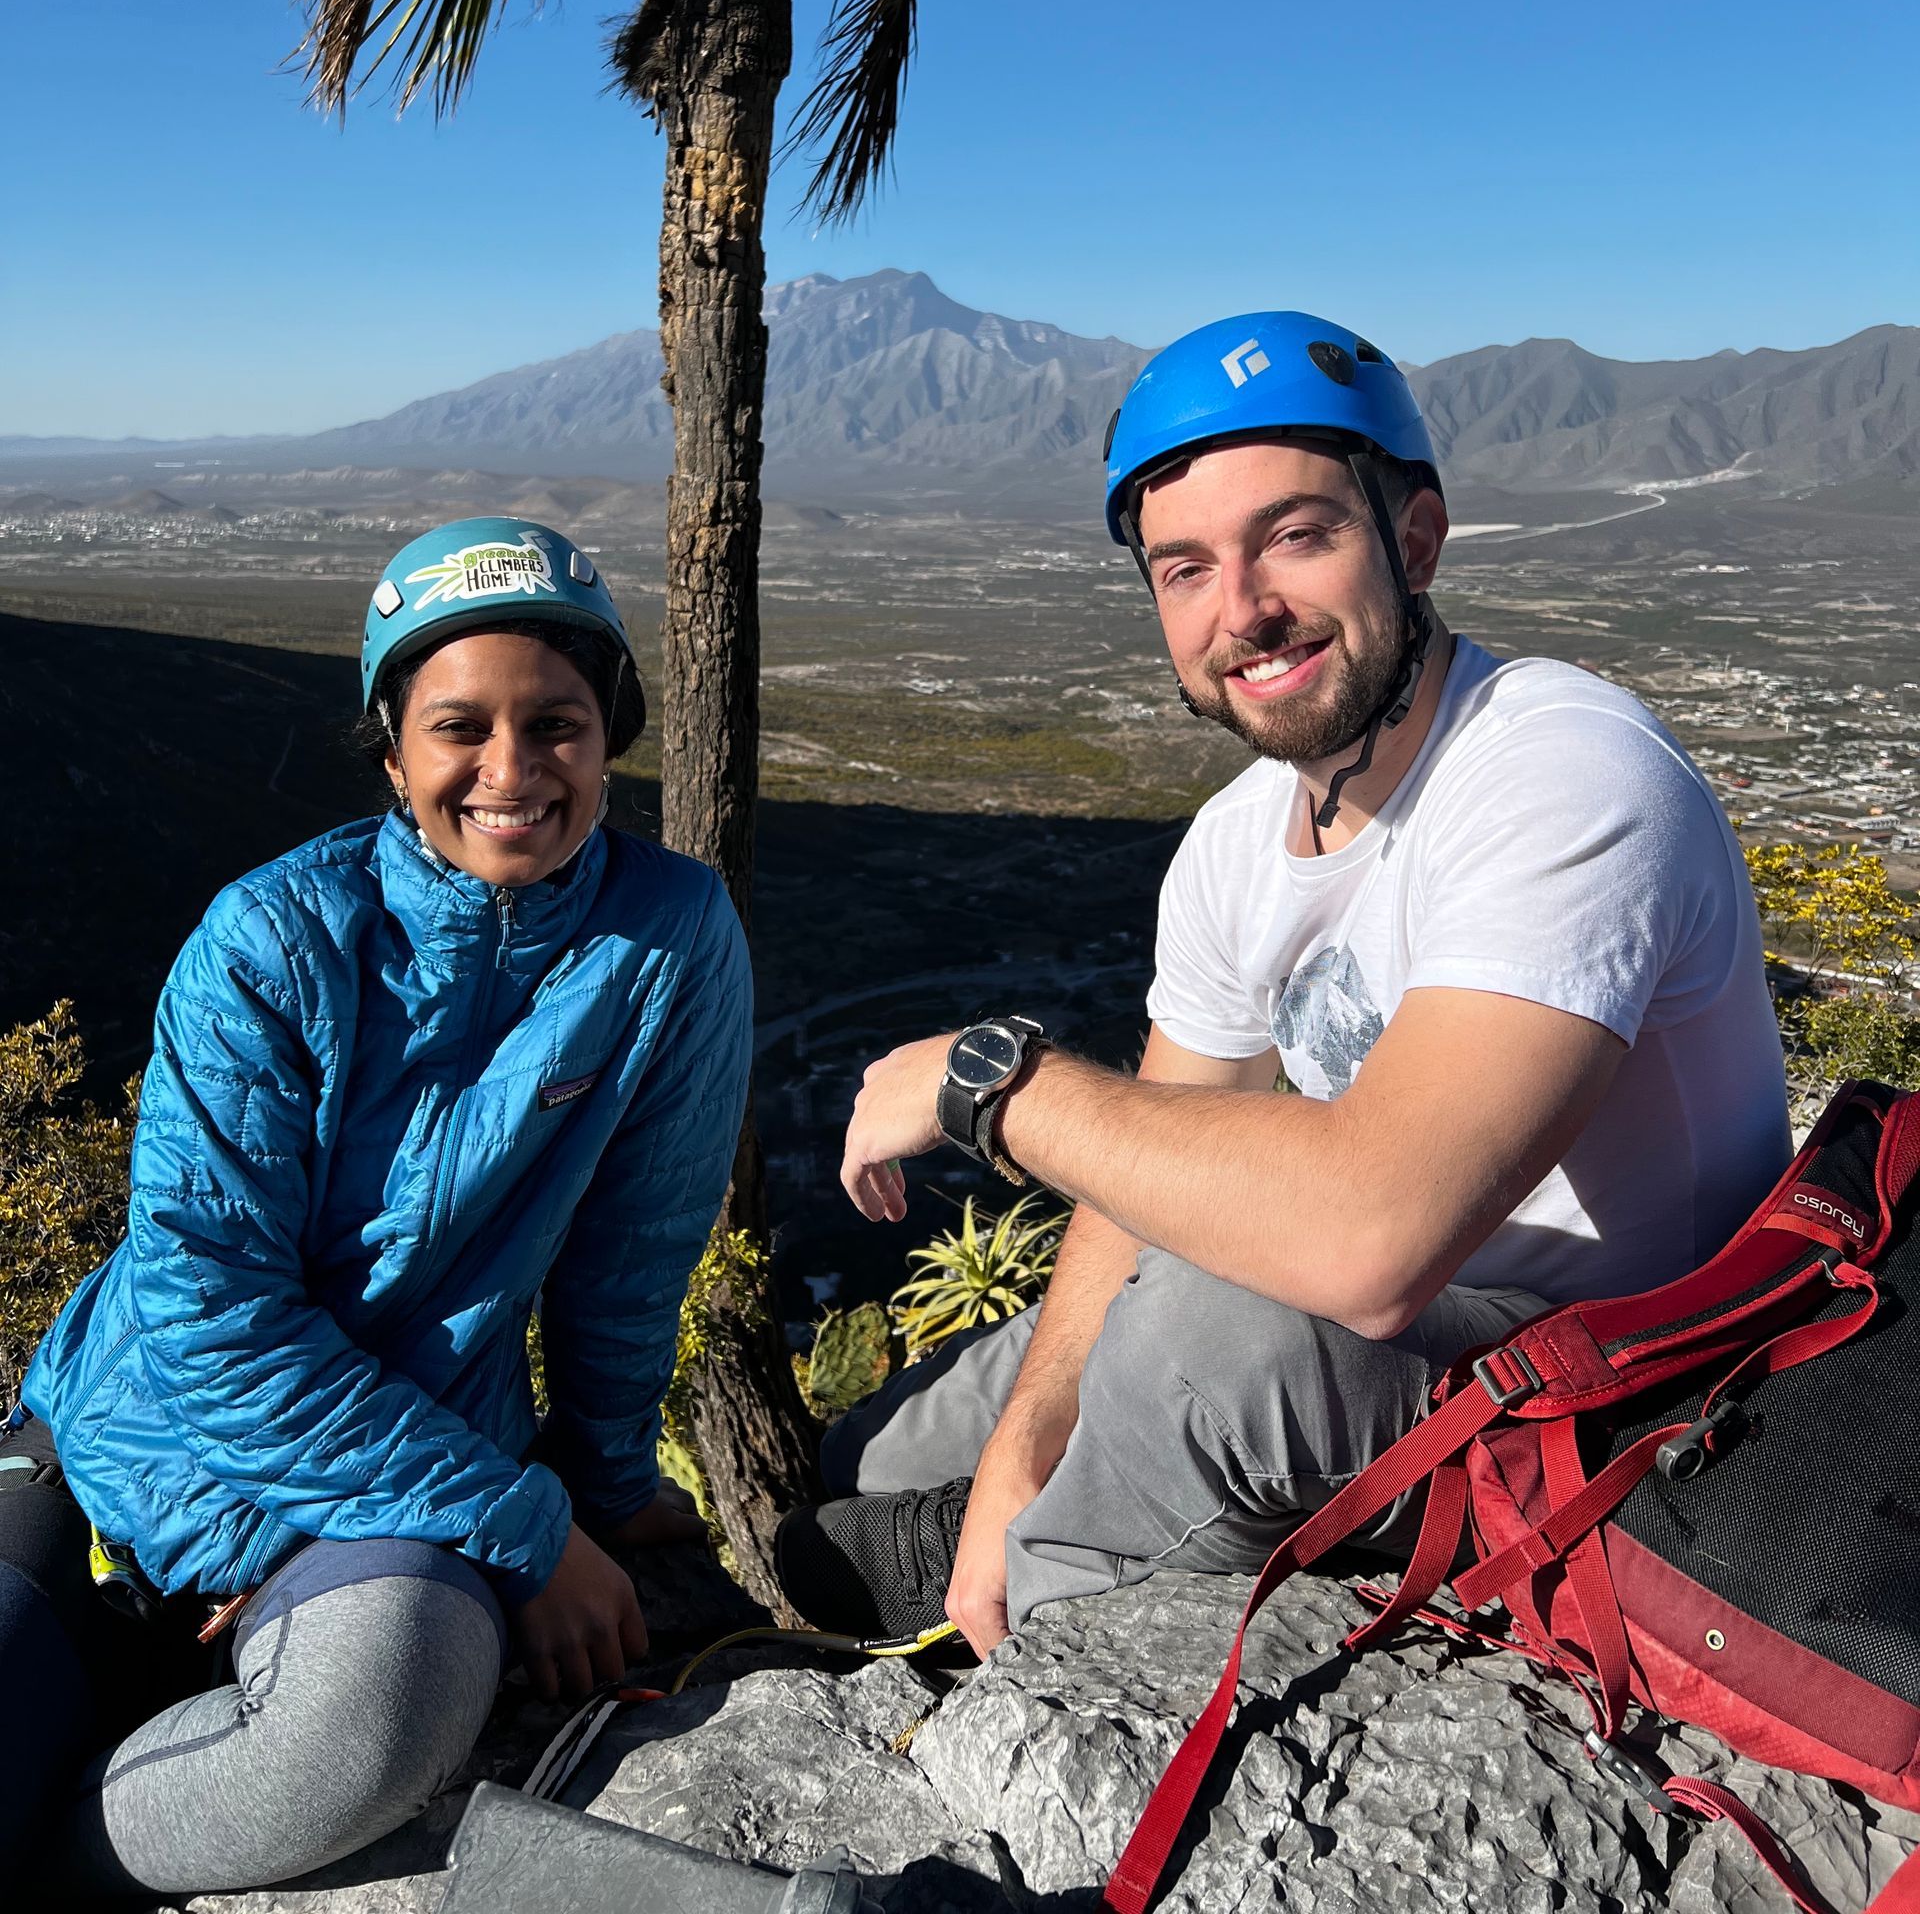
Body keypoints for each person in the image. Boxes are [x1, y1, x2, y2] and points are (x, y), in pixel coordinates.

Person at [775, 311, 1791, 1661]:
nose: (1240, 610)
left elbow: (1372, 1239)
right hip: (1407, 1342)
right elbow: (1155, 1153)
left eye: (1298, 536)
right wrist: (1032, 1430)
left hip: (1612, 1385)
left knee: (1217, 1333)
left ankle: (1037, 1678)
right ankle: (955, 1512)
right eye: (1184, 567)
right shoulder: (1237, 842)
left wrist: (996, 1086)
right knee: (898, 1449)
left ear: (1414, 541)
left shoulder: (1565, 771)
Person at [0, 515, 752, 1897]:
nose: (513, 770)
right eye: (460, 726)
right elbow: (210, 1315)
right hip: (118, 1463)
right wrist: (526, 1531)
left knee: (378, 1709)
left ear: (610, 738)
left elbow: (631, 1259)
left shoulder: (669, 937)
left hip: (392, 1512)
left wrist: (607, 1492)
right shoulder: (275, 939)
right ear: (393, 749)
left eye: (560, 724)